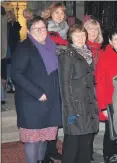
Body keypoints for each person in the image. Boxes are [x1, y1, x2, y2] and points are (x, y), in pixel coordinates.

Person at [11, 16, 62, 163]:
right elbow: (16, 74)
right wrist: (37, 93)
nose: (41, 31)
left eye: (43, 28)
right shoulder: (24, 47)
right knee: (33, 141)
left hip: (49, 101)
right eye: (36, 28)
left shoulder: (51, 46)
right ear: (29, 30)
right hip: (31, 101)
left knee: (43, 138)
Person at [58, 24, 99, 163]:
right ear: (70, 38)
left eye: (83, 35)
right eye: (77, 35)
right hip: (75, 104)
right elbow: (64, 84)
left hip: (88, 104)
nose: (81, 38)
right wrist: (70, 110)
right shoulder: (68, 55)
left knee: (86, 144)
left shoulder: (88, 53)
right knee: (72, 144)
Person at [41, 3, 69, 160]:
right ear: (50, 14)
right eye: (56, 12)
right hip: (51, 76)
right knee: (50, 114)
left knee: (57, 115)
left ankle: (51, 148)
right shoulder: (47, 31)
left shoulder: (65, 30)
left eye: (62, 13)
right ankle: (46, 151)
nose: (59, 15)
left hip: (63, 76)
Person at [95, 29, 117, 162]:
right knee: (111, 132)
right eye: (116, 39)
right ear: (110, 42)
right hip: (110, 102)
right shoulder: (105, 57)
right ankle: (109, 157)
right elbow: (99, 84)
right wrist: (102, 107)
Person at [83, 18, 104, 161]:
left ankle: (89, 152)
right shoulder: (82, 47)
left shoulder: (101, 49)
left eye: (96, 29)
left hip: (98, 90)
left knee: (93, 123)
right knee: (86, 122)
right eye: (90, 29)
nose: (94, 32)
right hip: (85, 90)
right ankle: (85, 153)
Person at [6, 10, 21, 93]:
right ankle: (9, 84)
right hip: (8, 47)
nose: (9, 17)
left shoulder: (16, 24)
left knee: (12, 65)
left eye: (10, 15)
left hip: (13, 47)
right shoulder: (6, 24)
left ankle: (12, 84)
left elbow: (16, 37)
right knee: (8, 66)